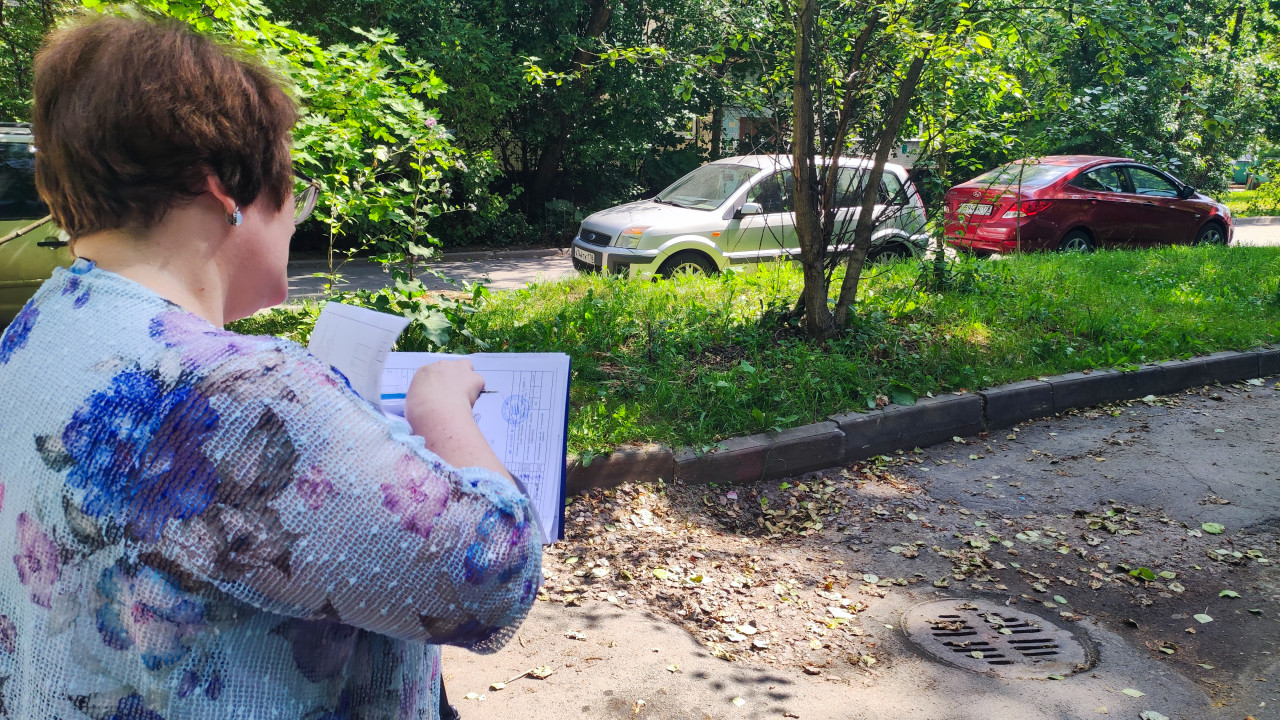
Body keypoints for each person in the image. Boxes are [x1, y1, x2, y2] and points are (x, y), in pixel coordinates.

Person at [0, 15, 541, 719]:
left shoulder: (38, 328)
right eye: (294, 190)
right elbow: (497, 574)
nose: (294, 218)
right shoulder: (243, 394)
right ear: (225, 190)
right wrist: (440, 409)